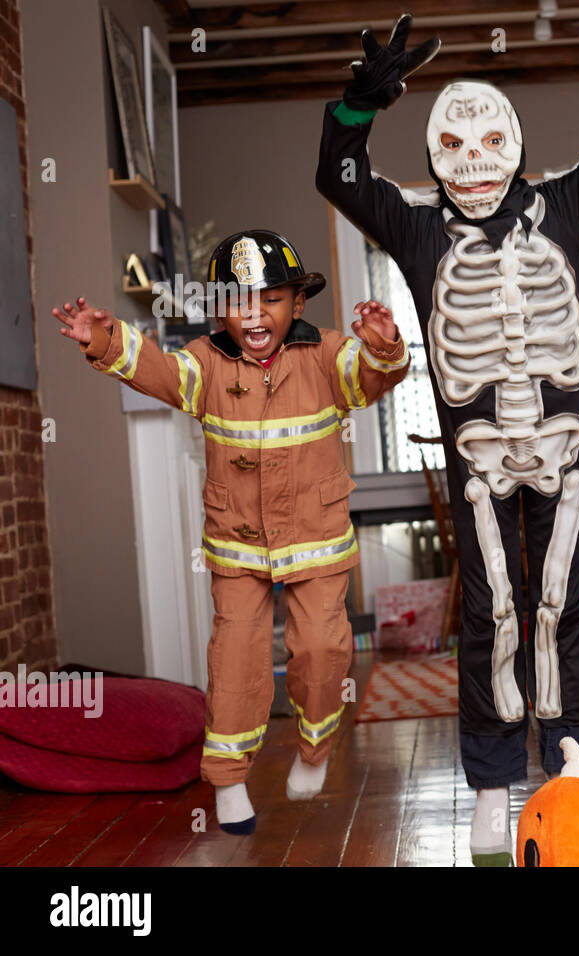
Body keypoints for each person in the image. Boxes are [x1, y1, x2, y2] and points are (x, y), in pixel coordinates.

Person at [315, 5, 579, 865]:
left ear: (513, 142)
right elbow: (340, 175)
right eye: (453, 145)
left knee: (559, 609)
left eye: (487, 141)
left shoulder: (564, 204)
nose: (472, 160)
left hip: (564, 458)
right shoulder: (418, 223)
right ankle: (491, 782)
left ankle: (572, 749)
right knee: (489, 611)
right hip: (476, 462)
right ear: (434, 154)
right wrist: (359, 102)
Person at [54, 230, 408, 833]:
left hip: (315, 537)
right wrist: (106, 339)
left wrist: (383, 343)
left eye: (270, 298)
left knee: (323, 651)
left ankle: (315, 749)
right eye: (239, 300)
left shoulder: (326, 355)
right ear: (220, 308)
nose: (254, 313)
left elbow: (371, 377)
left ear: (297, 304)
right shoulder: (205, 363)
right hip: (238, 541)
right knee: (236, 660)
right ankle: (228, 779)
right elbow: (156, 369)